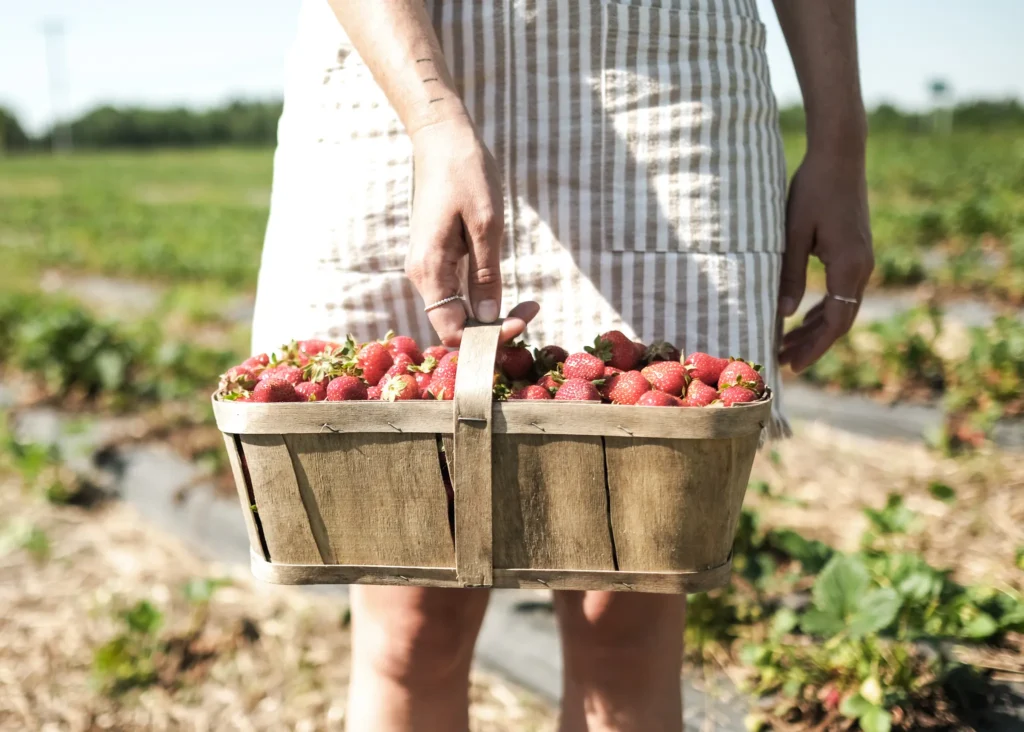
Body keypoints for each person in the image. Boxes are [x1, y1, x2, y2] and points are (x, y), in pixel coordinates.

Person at [250, 1, 873, 729]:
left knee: (626, 621)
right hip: (401, 65)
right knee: (414, 616)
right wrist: (431, 120)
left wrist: (841, 139)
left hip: (660, 75)